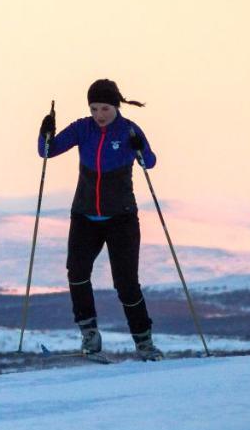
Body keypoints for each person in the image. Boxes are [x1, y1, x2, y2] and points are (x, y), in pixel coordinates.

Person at [37, 79, 163, 361]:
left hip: (121, 218)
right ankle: (89, 335)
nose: (99, 115)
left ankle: (144, 343)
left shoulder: (128, 130)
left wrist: (139, 146)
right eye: (94, 108)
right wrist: (45, 132)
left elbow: (149, 162)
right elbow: (47, 151)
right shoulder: (83, 128)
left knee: (126, 283)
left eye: (104, 108)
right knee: (77, 273)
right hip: (84, 216)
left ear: (115, 106)